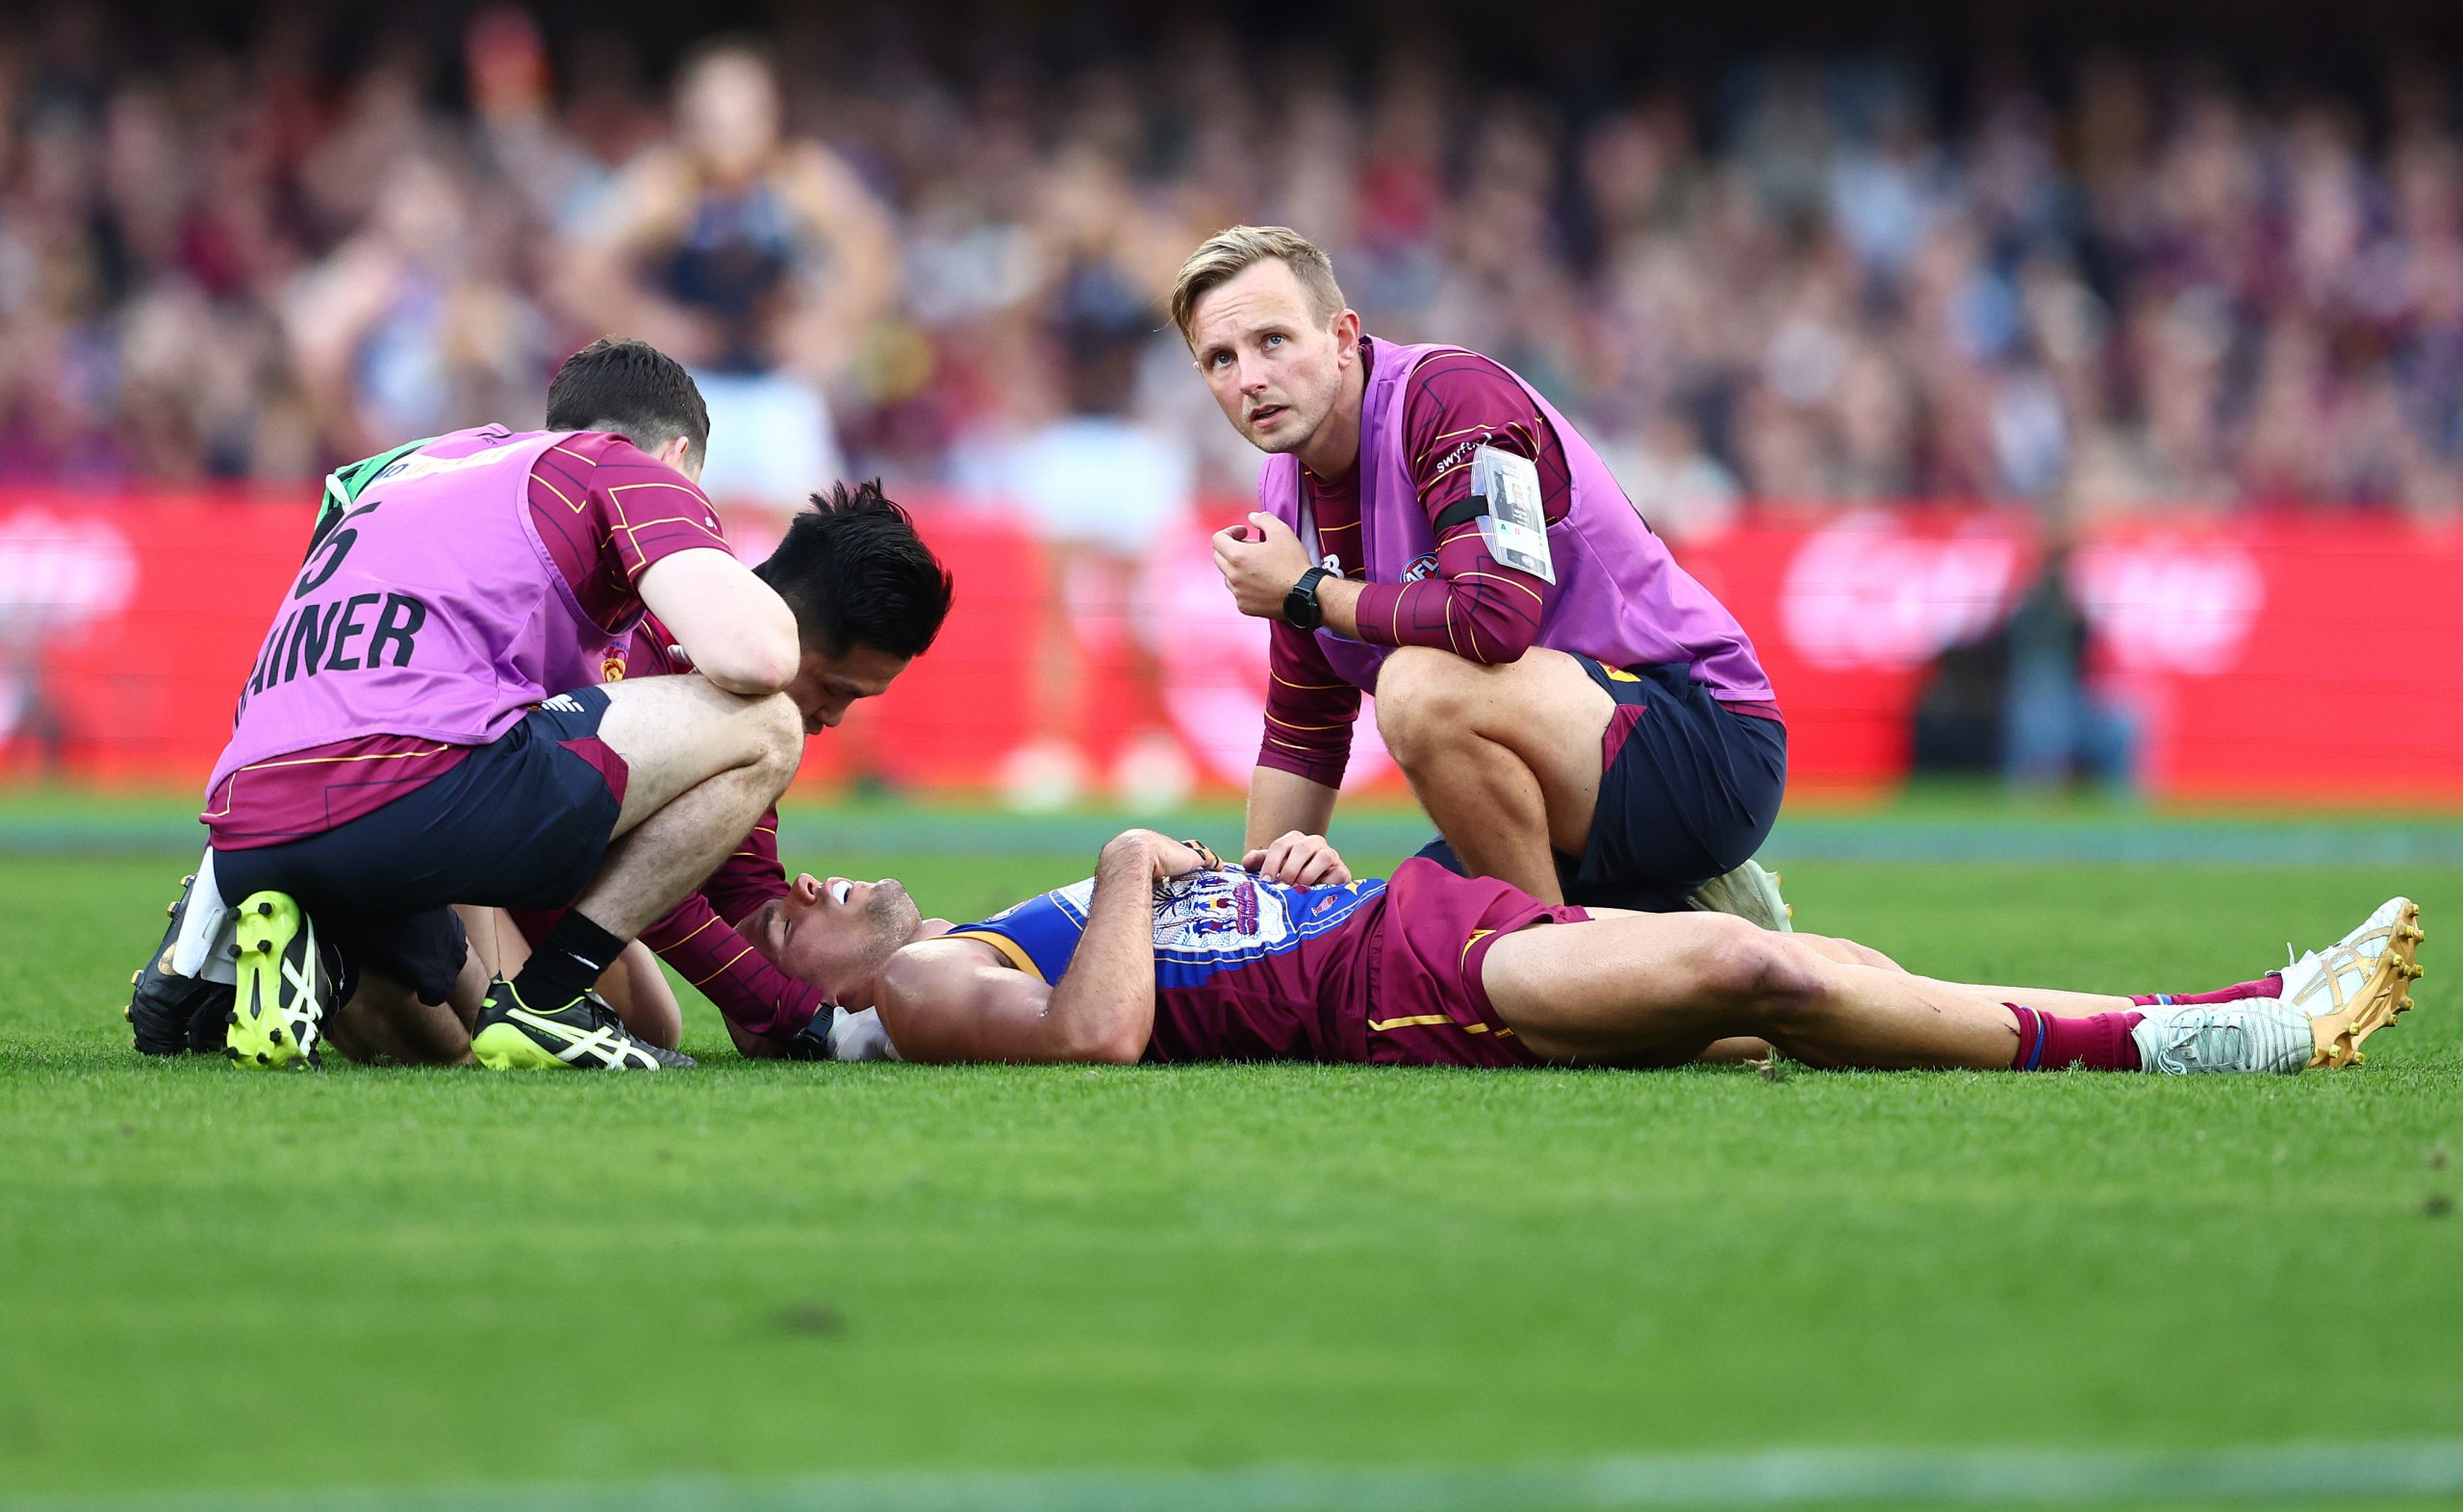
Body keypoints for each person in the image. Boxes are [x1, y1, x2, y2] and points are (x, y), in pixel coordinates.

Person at [133, 479, 954, 1067]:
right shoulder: (623, 617)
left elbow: (730, 880)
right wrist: (796, 1016)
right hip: (439, 817)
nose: (836, 718)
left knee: (645, 1022)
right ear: (786, 623)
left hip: (405, 815)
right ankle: (374, 943)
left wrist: (875, 980)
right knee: (494, 1024)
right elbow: (649, 882)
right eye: (838, 689)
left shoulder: (734, 688)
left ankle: (317, 959)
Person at [191, 336, 810, 1072]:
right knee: (768, 721)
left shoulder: (405, 466)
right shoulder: (617, 463)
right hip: (411, 788)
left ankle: (305, 952)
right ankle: (550, 1000)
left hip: (246, 823)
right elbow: (758, 656)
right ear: (673, 457)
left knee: (455, 1050)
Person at [1181, 226, 1790, 924]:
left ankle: (1562, 976)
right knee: (1403, 933)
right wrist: (1255, 916)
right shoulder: (1285, 491)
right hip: (1563, 767)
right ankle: (1730, 949)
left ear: (1343, 337)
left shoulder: (1450, 399)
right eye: (1220, 359)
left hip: (1704, 737)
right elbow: (1305, 727)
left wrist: (1308, 594)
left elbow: (1492, 619)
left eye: (1273, 341)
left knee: (1416, 686)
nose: (1249, 377)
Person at [761, 830, 2424, 1077]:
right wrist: (1134, 859)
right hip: (1392, 983)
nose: (822, 877)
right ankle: (2216, 1036)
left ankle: (2223, 1007)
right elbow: (1098, 1044)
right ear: (828, 985)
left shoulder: (959, 937)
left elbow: (1162, 954)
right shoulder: (914, 995)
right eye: (791, 909)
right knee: (1769, 975)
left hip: (1400, 912)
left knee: (1818, 964)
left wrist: (1274, 859)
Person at [559, 40, 899, 506]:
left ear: (772, 117)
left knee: (820, 535)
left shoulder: (800, 179)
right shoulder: (668, 184)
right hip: (689, 390)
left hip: (779, 390)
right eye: (715, 119)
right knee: (675, 524)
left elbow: (875, 252)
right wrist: (648, 322)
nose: (730, 135)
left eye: (744, 118)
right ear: (689, 121)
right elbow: (578, 264)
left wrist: (830, 325)